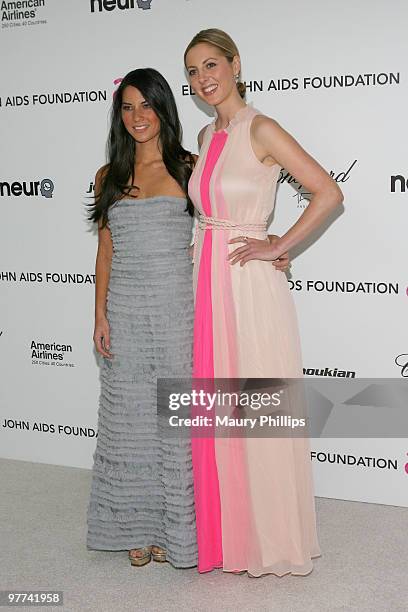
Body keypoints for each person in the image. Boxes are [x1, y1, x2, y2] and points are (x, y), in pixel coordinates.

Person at [184, 28, 344, 577]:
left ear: (234, 64)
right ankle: (231, 536)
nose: (204, 78)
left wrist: (279, 244)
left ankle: (273, 539)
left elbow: (328, 191)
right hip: (205, 280)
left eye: (211, 65)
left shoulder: (263, 127)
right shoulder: (206, 136)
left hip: (248, 286)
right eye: (193, 71)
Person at [86, 68, 199, 569]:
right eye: (128, 107)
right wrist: (99, 317)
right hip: (125, 312)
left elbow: (220, 231)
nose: (138, 117)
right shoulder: (108, 177)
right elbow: (105, 254)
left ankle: (171, 531)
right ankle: (133, 525)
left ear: (163, 109)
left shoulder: (190, 169)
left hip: (176, 313)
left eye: (147, 106)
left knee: (171, 422)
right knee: (127, 421)